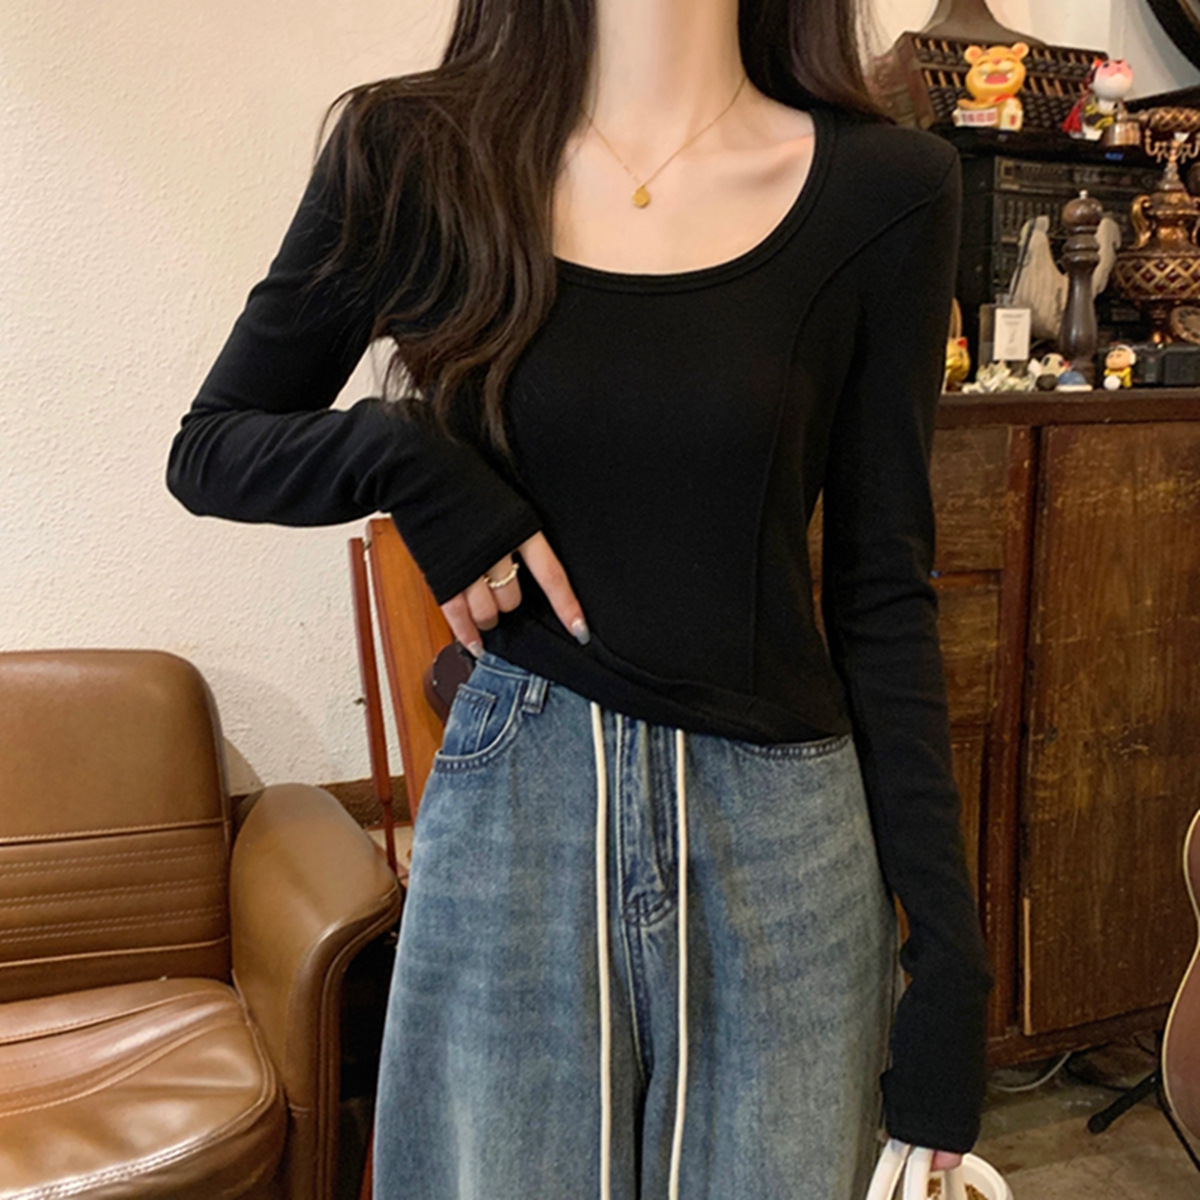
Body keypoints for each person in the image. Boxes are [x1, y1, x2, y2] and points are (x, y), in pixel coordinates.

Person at [166, 1, 995, 1196]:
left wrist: (952, 963)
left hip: (786, 855)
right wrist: (406, 457)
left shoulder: (892, 189)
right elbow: (214, 447)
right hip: (518, 825)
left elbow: (882, 590)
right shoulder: (413, 156)